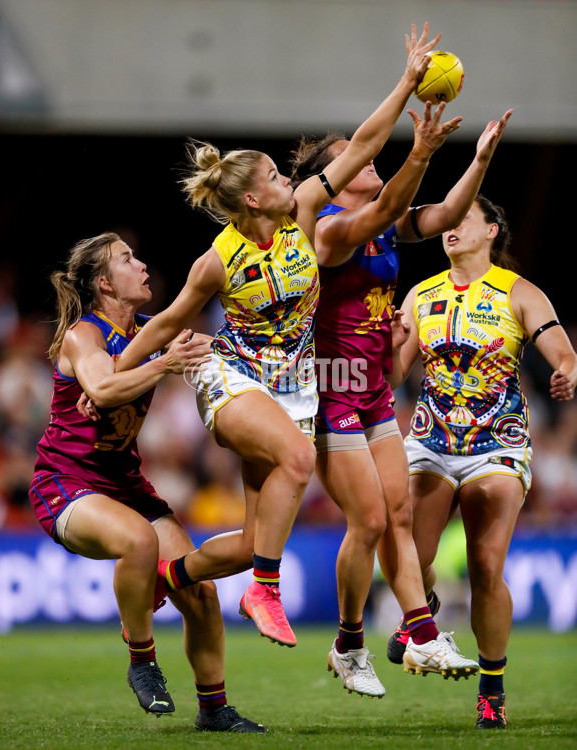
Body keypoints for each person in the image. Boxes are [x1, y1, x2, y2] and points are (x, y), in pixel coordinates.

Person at [112, 23, 442, 649]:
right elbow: (165, 323)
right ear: (252, 198)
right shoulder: (217, 259)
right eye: (273, 173)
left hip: (286, 388)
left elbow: (366, 141)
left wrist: (406, 80)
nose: (287, 177)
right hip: (229, 376)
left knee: (247, 540)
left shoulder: (302, 214)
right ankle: (265, 588)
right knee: (296, 456)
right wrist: (109, 381)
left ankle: (167, 576)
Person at [287, 99, 512, 696]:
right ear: (336, 176)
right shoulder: (328, 230)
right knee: (367, 520)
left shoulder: (383, 222)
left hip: (374, 393)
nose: (371, 166)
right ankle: (351, 642)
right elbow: (388, 205)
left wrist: (481, 159)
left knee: (399, 515)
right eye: (357, 162)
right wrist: (423, 150)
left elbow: (443, 214)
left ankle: (420, 630)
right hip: (331, 391)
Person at [28, 233, 267, 733]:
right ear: (103, 283)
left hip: (126, 482)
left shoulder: (147, 332)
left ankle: (215, 709)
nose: (141, 266)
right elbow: (103, 386)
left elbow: (139, 373)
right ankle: (141, 659)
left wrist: (202, 350)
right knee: (137, 540)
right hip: (65, 482)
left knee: (199, 594)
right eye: (126, 260)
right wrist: (160, 364)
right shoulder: (83, 335)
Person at [389, 195, 577, 728]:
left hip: (496, 443)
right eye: (443, 221)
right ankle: (417, 611)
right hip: (430, 442)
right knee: (405, 548)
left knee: (485, 566)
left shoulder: (519, 292)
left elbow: (563, 350)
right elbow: (394, 377)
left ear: (492, 230)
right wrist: (388, 347)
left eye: (462, 218)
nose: (448, 227)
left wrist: (567, 370)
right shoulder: (420, 296)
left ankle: (491, 688)